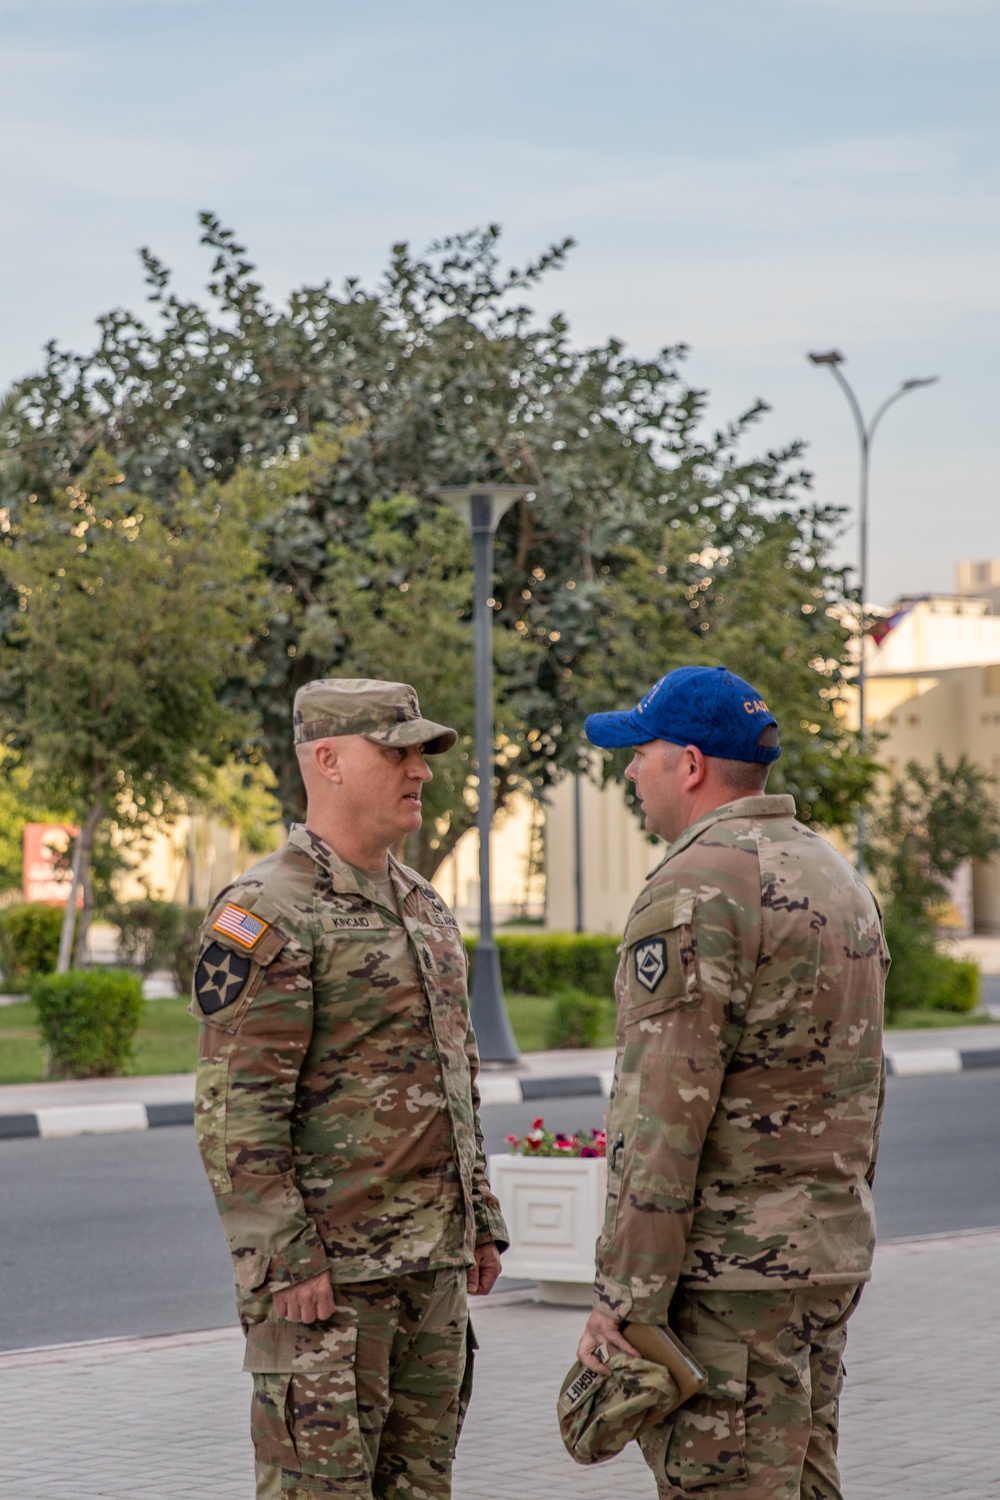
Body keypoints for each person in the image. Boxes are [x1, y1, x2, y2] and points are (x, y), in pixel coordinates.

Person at [191, 677, 508, 1500]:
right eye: (395, 751)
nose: (420, 771)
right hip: (328, 1290)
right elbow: (237, 1113)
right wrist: (286, 1261)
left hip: (430, 1274)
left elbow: (454, 1075)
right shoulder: (269, 910)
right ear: (327, 760)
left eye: (421, 754)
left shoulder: (424, 906)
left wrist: (481, 1218)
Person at [575, 665, 887, 1500]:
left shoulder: (696, 885)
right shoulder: (834, 875)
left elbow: (662, 1115)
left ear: (689, 765)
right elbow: (864, 1086)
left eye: (640, 753)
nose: (630, 772)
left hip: (731, 1285)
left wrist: (626, 1297)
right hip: (823, 1260)